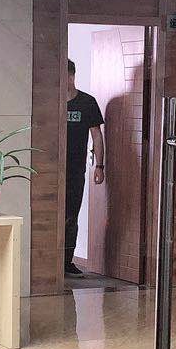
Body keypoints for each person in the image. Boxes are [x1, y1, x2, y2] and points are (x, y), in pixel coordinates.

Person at [64, 59, 105, 277]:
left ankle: (66, 261)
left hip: (75, 170)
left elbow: (96, 135)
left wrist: (99, 165)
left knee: (71, 216)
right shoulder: (51, 102)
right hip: (52, 170)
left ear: (71, 76)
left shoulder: (87, 102)